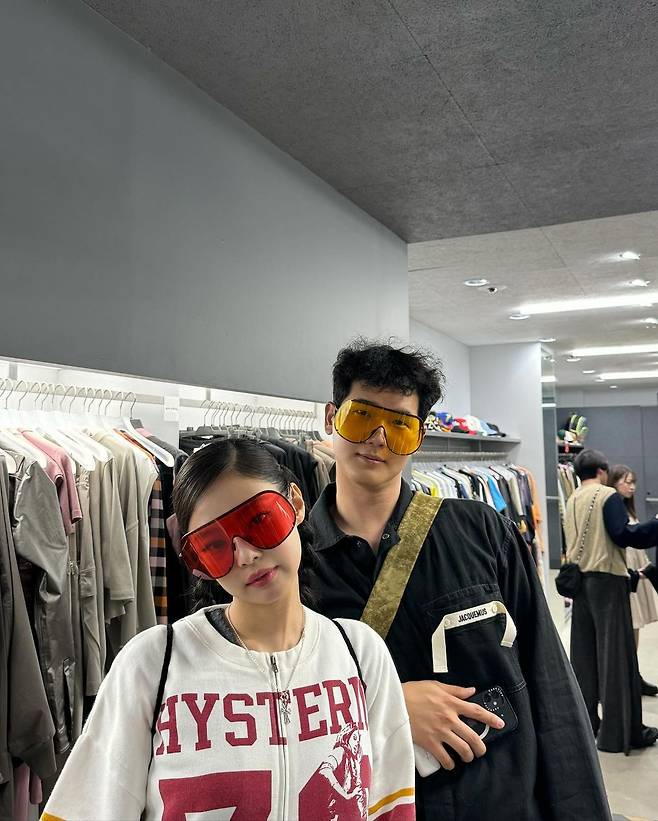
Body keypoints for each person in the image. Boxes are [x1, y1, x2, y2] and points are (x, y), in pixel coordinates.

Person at [310, 339, 610, 821]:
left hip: (501, 801)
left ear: (419, 437)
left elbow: (548, 679)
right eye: (362, 416)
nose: (379, 439)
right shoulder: (289, 562)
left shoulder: (482, 532)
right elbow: (268, 705)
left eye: (400, 425)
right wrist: (384, 706)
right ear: (331, 418)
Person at [42, 439, 416, 821]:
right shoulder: (153, 665)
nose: (246, 555)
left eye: (259, 520)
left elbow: (391, 809)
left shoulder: (359, 653)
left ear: (295, 503)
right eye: (214, 546)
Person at [564, 449, 658, 755]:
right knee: (616, 657)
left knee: (585, 658)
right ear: (602, 471)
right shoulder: (607, 496)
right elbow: (623, 535)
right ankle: (619, 735)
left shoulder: (573, 498)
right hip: (607, 581)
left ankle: (588, 724)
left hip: (580, 584)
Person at [607, 464, 658, 696]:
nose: (632, 487)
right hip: (626, 570)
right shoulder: (612, 507)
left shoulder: (626, 508)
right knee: (630, 624)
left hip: (637, 568)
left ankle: (633, 675)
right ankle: (628, 678)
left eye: (633, 482)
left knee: (635, 625)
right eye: (627, 482)